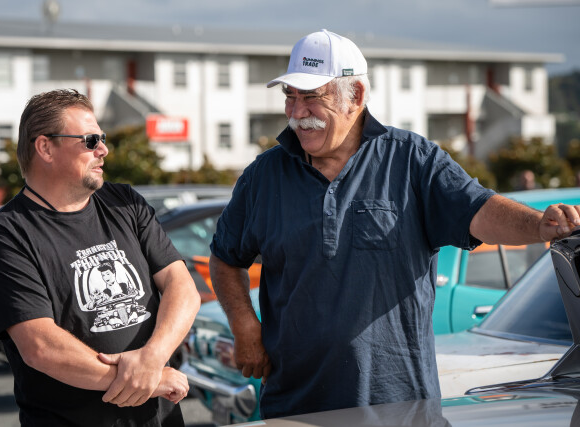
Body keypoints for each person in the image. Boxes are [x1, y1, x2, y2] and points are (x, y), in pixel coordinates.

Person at [208, 29, 580, 419]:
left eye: (312, 97)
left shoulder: (413, 160)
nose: (297, 112)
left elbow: (480, 211)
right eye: (291, 96)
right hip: (294, 406)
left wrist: (539, 224)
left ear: (356, 96)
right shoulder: (265, 175)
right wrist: (244, 325)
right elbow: (224, 258)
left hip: (400, 407)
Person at [0, 89, 201, 426]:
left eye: (103, 139)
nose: (103, 150)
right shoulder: (5, 236)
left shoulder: (125, 203)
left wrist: (152, 360)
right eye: (90, 140)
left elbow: (182, 286)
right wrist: (145, 380)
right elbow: (41, 346)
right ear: (45, 147)